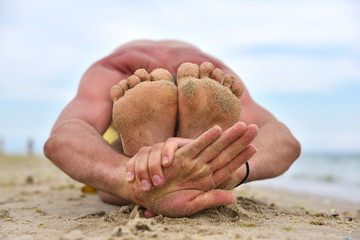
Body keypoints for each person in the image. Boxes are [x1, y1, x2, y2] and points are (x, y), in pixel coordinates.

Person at [43, 40, 300, 217]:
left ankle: (139, 164)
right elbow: (284, 140)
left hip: (126, 66)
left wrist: (125, 178)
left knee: (110, 163)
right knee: (119, 163)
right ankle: (188, 159)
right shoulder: (213, 72)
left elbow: (64, 134)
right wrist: (230, 168)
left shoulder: (114, 70)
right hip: (199, 64)